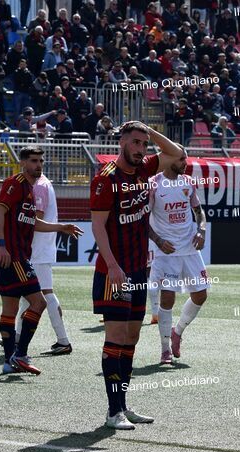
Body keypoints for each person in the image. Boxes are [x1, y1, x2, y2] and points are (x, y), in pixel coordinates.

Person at [90, 121, 184, 430]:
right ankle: (112, 411)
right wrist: (113, 265)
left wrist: (150, 131)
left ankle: (123, 405)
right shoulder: (106, 179)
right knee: (116, 337)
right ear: (122, 142)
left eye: (144, 144)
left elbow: (177, 153)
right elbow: (98, 227)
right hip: (114, 272)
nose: (141, 148)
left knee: (132, 337)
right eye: (136, 142)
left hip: (138, 269)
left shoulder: (145, 169)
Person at [0, 147, 82, 376]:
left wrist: (61, 227)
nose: (39, 165)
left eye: (41, 161)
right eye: (33, 161)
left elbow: (33, 223)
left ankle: (9, 361)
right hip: (13, 255)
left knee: (10, 309)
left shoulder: (31, 190)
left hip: (16, 254)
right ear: (23, 163)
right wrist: (1, 244)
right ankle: (20, 354)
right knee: (39, 302)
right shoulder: (15, 184)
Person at [147, 147, 209, 364]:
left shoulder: (188, 182)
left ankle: (178, 332)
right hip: (167, 251)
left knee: (200, 295)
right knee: (167, 298)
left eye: (186, 158)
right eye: (181, 159)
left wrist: (201, 230)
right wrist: (158, 241)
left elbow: (199, 212)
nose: (185, 163)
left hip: (189, 248)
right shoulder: (154, 184)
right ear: (168, 159)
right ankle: (165, 350)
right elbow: (142, 219)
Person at [13, 170, 72, 355]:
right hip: (39, 248)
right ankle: (17, 336)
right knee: (27, 294)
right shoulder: (44, 183)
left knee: (46, 293)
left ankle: (63, 340)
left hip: (37, 248)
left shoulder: (38, 186)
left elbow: (34, 219)